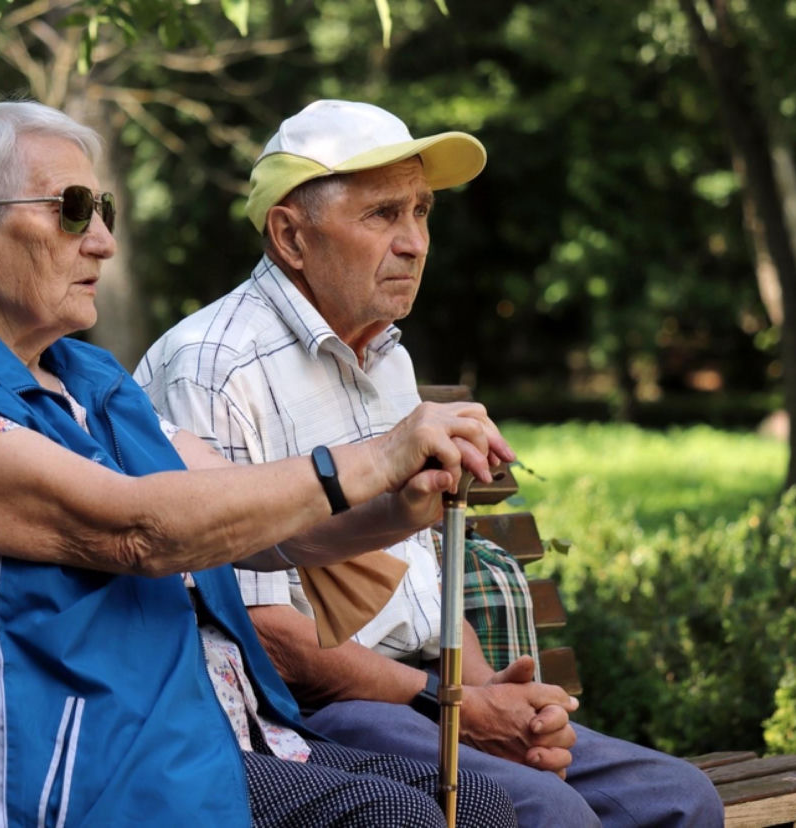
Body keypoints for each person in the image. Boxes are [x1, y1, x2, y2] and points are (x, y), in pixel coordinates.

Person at [0, 101, 523, 827]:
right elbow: (136, 532)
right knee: (401, 822)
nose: (105, 243)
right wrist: (374, 457)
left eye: (104, 209)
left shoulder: (86, 381)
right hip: (72, 787)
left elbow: (266, 531)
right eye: (73, 210)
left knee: (481, 806)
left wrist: (400, 505)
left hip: (197, 744)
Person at [135, 99, 724, 826]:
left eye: (422, 212)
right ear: (290, 236)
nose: (414, 242)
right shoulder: (213, 366)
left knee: (680, 802)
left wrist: (498, 698)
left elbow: (424, 582)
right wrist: (461, 707)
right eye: (383, 215)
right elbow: (269, 640)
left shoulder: (389, 355)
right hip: (328, 713)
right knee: (553, 818)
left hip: (432, 693)